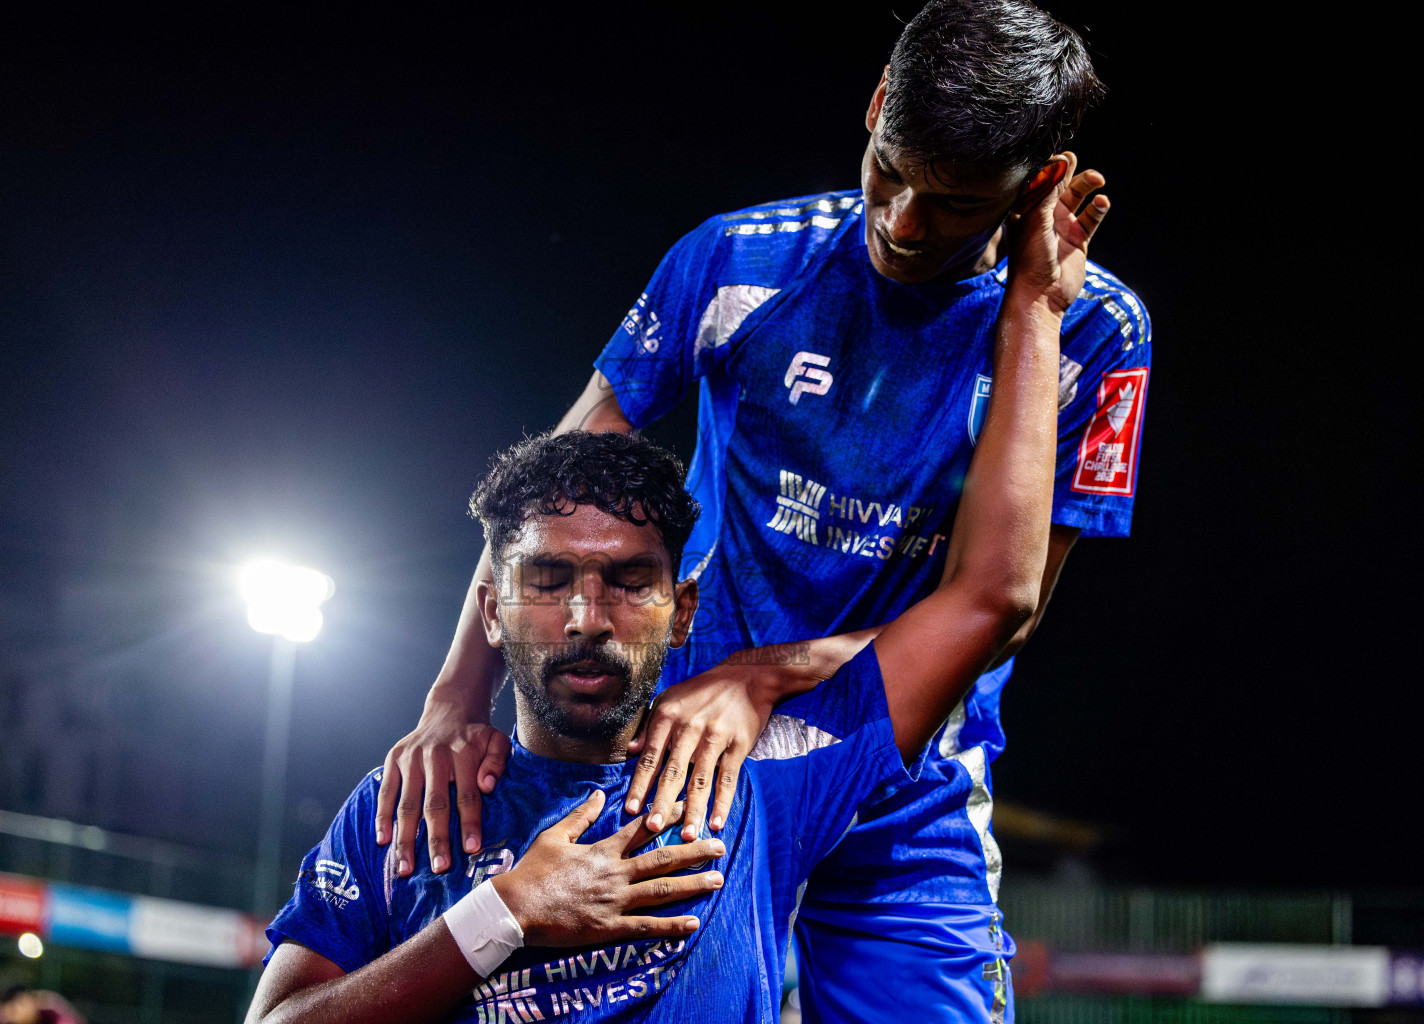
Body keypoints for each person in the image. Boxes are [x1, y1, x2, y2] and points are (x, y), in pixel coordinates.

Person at [375, 2, 1149, 1021]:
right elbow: (542, 500)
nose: (903, 222)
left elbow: (1001, 607)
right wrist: (452, 697)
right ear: (877, 102)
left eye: (956, 204)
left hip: (903, 774)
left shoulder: (1095, 334)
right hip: (685, 749)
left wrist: (766, 673)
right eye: (890, 171)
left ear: (1040, 182)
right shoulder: (738, 260)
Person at [247, 169, 1093, 1019]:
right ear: (490, 610)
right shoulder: (411, 802)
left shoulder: (765, 781)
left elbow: (991, 600)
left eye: (628, 581)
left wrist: (1036, 307)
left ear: (685, 609)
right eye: (548, 581)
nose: (587, 618)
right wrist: (500, 915)